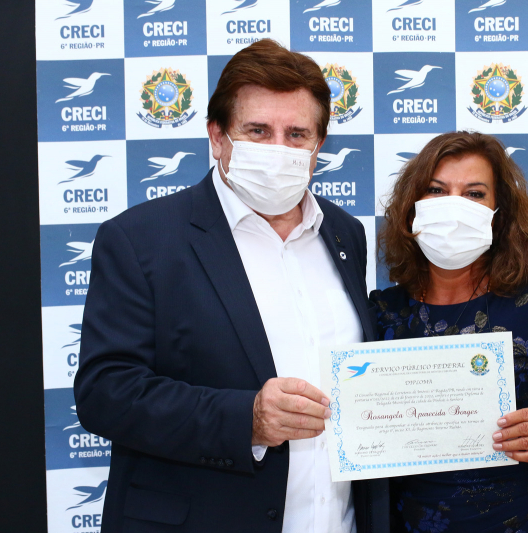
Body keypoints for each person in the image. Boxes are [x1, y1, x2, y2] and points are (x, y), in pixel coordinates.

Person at [74, 39, 387, 532]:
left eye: (297, 134)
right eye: (257, 131)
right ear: (218, 137)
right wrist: (248, 419)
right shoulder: (140, 239)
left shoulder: (345, 233)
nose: (278, 149)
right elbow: (105, 393)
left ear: (318, 147)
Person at [370, 131, 528, 533]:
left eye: (474, 194)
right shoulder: (381, 311)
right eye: (436, 190)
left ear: (499, 213)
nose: (454, 206)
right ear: (412, 207)